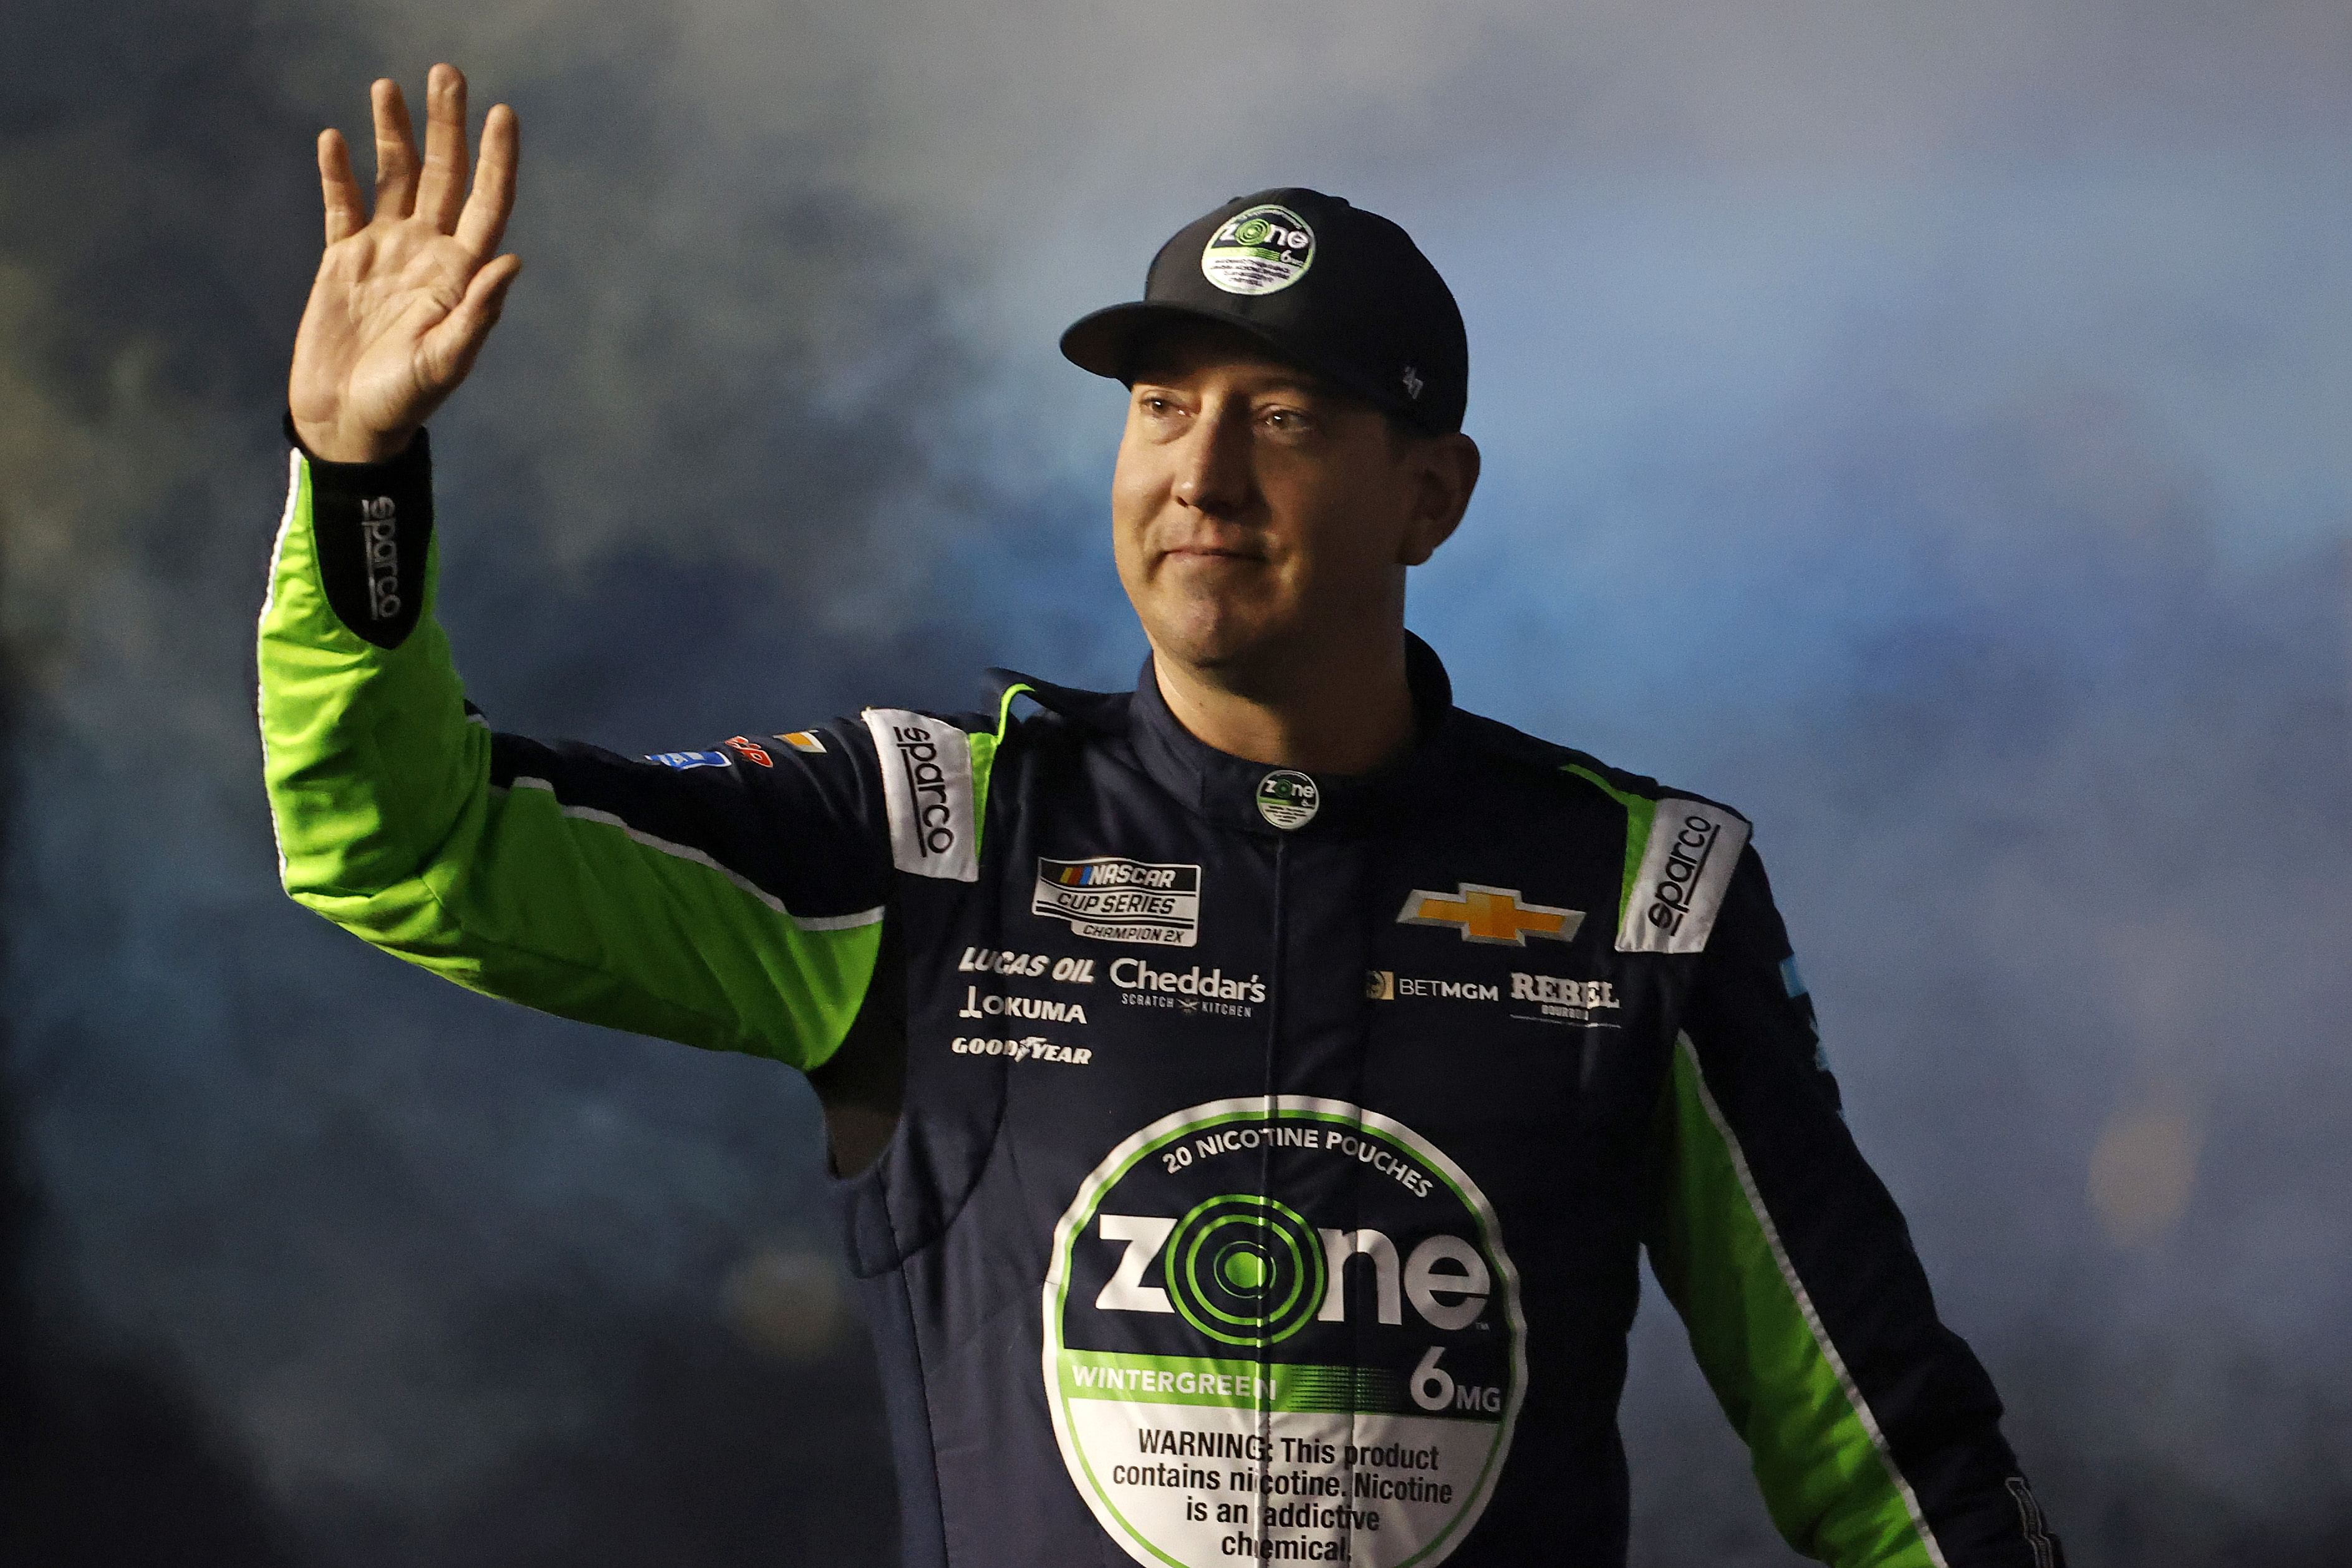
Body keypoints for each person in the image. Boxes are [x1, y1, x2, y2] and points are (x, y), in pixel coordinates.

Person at [261, 63, 2066, 1568]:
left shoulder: (1639, 891)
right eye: (1157, 406)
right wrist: (356, 476)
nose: (1197, 475)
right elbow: (411, 841)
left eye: (1279, 416)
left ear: (1428, 495)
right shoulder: (923, 838)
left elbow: (1880, 1446)